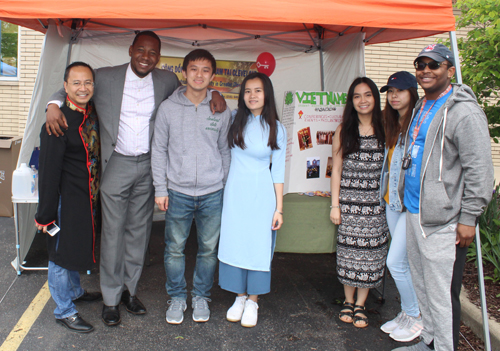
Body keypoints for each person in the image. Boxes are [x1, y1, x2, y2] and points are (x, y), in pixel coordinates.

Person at [45, 32, 227, 327]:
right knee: (113, 233)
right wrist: (52, 105)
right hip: (116, 163)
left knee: (138, 233)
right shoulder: (105, 77)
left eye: (152, 52)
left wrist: (216, 93)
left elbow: (194, 88)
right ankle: (110, 299)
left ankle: (130, 291)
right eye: (140, 50)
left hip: (149, 165)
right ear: (130, 50)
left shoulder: (166, 81)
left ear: (159, 56)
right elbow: (72, 89)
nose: (146, 56)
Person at [392, 44, 494, 351]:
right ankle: (429, 342)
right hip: (415, 210)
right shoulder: (423, 106)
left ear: (450, 70)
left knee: (442, 295)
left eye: (433, 65)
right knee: (423, 287)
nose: (425, 70)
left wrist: (469, 218)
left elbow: (479, 169)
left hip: (444, 220)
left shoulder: (463, 111)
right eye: (420, 65)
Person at [151, 49, 231, 325]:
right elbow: (158, 149)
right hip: (177, 192)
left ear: (212, 75)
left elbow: (225, 150)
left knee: (208, 250)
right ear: (184, 73)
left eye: (205, 70)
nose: (199, 75)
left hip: (212, 191)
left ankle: (201, 296)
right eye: (193, 69)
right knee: (174, 248)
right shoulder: (168, 108)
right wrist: (160, 188)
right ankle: (176, 297)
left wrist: (224, 185)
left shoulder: (220, 109)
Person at [35, 62, 102, 333]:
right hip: (65, 200)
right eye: (76, 83)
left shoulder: (90, 113)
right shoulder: (57, 122)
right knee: (60, 254)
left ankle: (74, 292)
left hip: (86, 198)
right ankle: (64, 309)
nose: (82, 88)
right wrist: (45, 214)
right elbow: (48, 172)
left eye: (87, 82)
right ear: (65, 87)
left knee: (74, 247)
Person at [218, 72, 286, 328]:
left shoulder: (277, 128)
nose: (252, 95)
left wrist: (279, 208)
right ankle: (239, 297)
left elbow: (278, 171)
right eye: (247, 91)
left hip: (262, 195)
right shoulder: (235, 120)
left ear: (266, 94)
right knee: (235, 242)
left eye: (258, 90)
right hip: (235, 193)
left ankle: (254, 300)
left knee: (257, 246)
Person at [329, 77, 389, 329]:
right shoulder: (344, 130)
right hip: (349, 204)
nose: (362, 100)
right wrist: (335, 205)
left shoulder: (387, 128)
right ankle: (348, 300)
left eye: (367, 95)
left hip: (376, 206)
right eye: (356, 96)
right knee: (348, 254)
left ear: (375, 98)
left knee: (371, 256)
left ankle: (361, 304)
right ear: (351, 101)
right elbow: (337, 170)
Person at [379, 71, 423, 342]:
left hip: (409, 205)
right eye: (391, 92)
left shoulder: (418, 125)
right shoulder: (392, 123)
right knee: (403, 262)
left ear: (412, 93)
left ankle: (416, 316)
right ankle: (408, 313)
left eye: (400, 91)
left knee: (395, 262)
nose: (394, 96)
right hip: (390, 202)